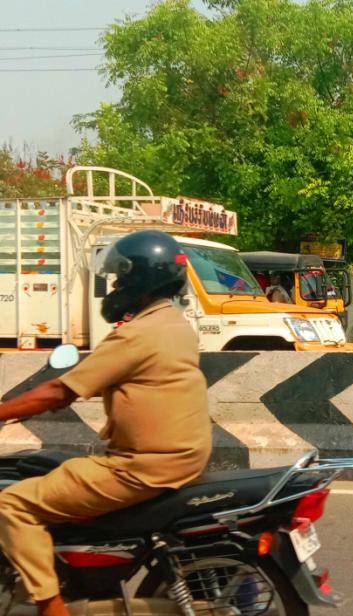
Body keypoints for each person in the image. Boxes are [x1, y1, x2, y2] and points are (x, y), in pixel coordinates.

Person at [0, 230, 212, 616]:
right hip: (182, 458)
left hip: (140, 467)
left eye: (120, 278)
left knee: (13, 502)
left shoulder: (135, 336)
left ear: (140, 279)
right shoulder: (174, 324)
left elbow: (58, 392)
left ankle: (51, 607)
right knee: (52, 466)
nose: (115, 286)